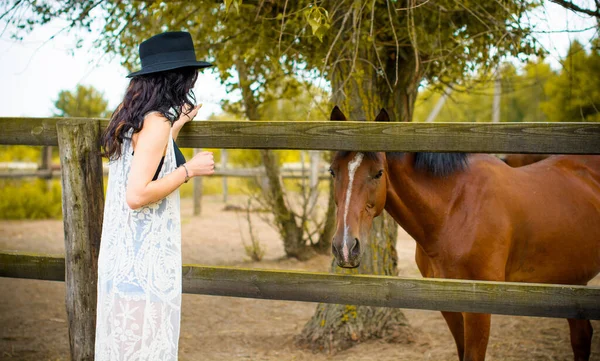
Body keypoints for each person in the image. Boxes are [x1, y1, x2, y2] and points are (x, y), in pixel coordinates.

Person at [95, 31, 215, 361]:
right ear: (177, 77)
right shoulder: (157, 121)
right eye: (191, 73)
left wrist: (177, 125)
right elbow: (136, 195)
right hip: (143, 262)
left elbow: (151, 155)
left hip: (123, 256)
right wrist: (189, 170)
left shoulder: (131, 114)